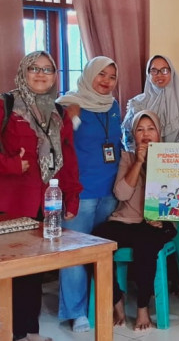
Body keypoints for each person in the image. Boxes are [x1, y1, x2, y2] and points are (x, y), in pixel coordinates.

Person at [0, 51, 81, 341]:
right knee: (9, 272)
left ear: (55, 76)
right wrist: (12, 165)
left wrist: (72, 196)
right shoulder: (6, 105)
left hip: (45, 204)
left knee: (34, 270)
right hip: (10, 204)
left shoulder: (59, 113)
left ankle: (30, 333)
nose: (41, 74)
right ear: (24, 71)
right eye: (34, 68)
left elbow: (68, 160)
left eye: (48, 69)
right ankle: (12, 334)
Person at [93, 111, 177, 331]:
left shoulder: (172, 158)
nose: (146, 134)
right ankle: (116, 299)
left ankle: (142, 307)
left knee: (146, 244)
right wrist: (138, 162)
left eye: (151, 129)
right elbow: (121, 194)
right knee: (94, 243)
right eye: (140, 130)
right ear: (133, 134)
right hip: (126, 221)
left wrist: (163, 220)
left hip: (158, 223)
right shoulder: (127, 157)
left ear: (159, 133)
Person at [56, 57, 122, 332]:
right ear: (89, 74)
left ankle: (105, 300)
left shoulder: (114, 106)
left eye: (112, 76)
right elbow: (56, 146)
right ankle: (76, 312)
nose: (106, 81)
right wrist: (71, 120)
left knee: (102, 251)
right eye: (101, 74)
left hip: (110, 192)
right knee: (74, 251)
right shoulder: (68, 104)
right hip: (80, 193)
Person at [122, 55, 179, 149]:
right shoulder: (137, 103)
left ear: (171, 72)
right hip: (144, 156)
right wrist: (140, 155)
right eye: (154, 71)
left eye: (164, 70)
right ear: (148, 74)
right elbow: (128, 138)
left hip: (176, 156)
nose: (159, 75)